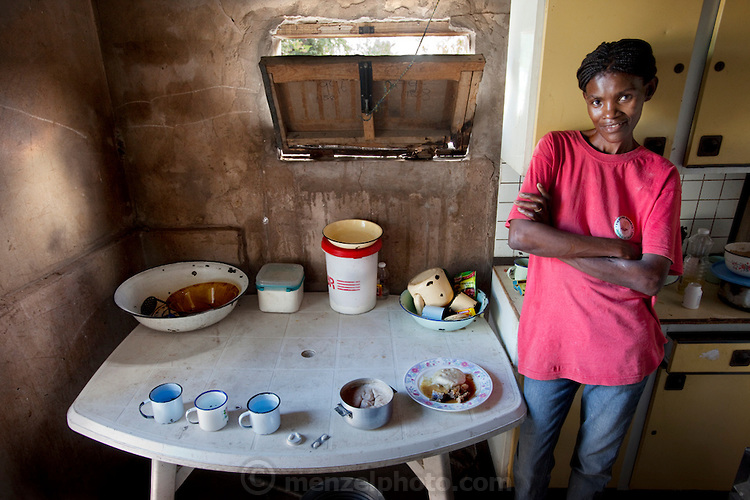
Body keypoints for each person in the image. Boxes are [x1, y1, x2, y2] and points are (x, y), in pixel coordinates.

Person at [505, 38, 683, 499]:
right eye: (597, 100)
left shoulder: (659, 175)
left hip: (622, 346)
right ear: (585, 101)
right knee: (531, 461)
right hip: (552, 336)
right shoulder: (557, 149)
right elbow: (521, 237)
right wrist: (618, 249)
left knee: (593, 468)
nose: (611, 112)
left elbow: (648, 277)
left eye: (624, 95)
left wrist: (554, 240)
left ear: (649, 89)